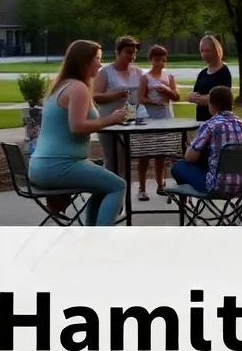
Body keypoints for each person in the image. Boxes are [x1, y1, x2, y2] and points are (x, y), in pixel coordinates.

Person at [27, 40, 128, 226]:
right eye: (97, 59)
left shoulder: (61, 86)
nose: (100, 63)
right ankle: (101, 242)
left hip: (42, 165)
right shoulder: (77, 88)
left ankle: (91, 237)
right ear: (84, 62)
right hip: (59, 165)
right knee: (118, 186)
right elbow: (77, 127)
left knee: (102, 187)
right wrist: (111, 119)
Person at [170, 85, 242, 194]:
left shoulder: (211, 125)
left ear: (211, 105)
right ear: (231, 104)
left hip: (218, 186)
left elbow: (190, 157)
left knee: (179, 166)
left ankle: (186, 198)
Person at [133, 44, 181, 202]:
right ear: (151, 60)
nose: (160, 62)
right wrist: (154, 101)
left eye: (162, 59)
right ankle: (142, 188)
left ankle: (161, 184)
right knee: (145, 153)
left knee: (161, 152)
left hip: (165, 116)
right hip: (148, 117)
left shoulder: (169, 77)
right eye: (156, 59)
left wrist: (167, 91)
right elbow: (140, 98)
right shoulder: (145, 78)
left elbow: (176, 96)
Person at [92, 36, 142, 179]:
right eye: (128, 52)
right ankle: (107, 190)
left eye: (134, 53)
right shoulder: (106, 72)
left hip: (130, 122)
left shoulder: (137, 72)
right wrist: (116, 95)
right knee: (112, 160)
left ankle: (122, 194)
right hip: (108, 122)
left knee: (125, 161)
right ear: (118, 52)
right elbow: (94, 96)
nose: (132, 56)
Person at [188, 34, 233, 123]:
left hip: (219, 121)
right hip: (201, 119)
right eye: (202, 51)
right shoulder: (202, 73)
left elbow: (220, 99)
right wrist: (191, 97)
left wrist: (201, 99)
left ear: (216, 50)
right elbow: (194, 94)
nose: (204, 54)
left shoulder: (224, 72)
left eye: (207, 51)